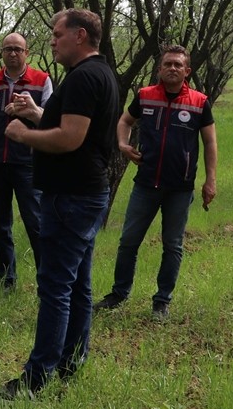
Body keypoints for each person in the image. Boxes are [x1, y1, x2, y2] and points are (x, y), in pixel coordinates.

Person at [0, 9, 119, 400]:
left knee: (55, 287)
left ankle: (35, 379)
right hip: (85, 193)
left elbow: (70, 138)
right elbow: (77, 126)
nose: (52, 41)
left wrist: (22, 133)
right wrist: (35, 113)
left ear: (80, 36)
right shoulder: (100, 73)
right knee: (78, 284)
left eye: (57, 34)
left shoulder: (82, 77)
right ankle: (71, 361)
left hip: (71, 196)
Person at [93, 44, 218, 321]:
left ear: (187, 70)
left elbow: (210, 142)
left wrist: (210, 181)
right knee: (128, 241)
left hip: (180, 188)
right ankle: (118, 294)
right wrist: (123, 145)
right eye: (167, 64)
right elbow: (125, 121)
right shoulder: (145, 96)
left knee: (172, 246)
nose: (172, 68)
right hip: (146, 184)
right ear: (159, 69)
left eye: (178, 65)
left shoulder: (199, 102)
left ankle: (162, 302)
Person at [0, 32, 53, 290]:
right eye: (8, 49)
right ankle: (7, 280)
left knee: (36, 224)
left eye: (18, 49)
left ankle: (47, 282)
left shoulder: (41, 80)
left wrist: (30, 111)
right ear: (2, 53)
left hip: (29, 164)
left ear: (27, 53)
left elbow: (51, 120)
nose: (13, 53)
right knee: (0, 227)